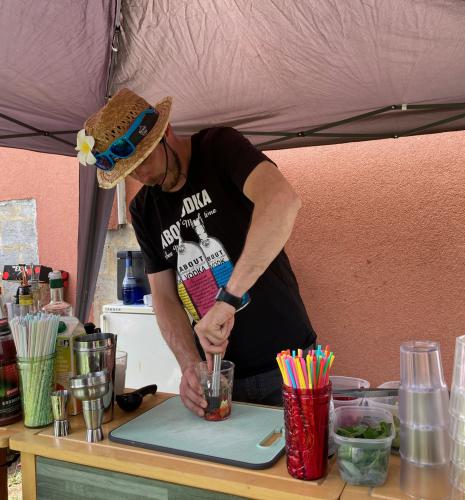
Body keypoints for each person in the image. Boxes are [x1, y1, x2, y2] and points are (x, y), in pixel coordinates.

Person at [78, 88, 316, 416]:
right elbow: (164, 297)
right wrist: (190, 365)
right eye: (130, 170)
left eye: (144, 159)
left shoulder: (220, 148)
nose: (143, 175)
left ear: (165, 132)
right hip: (220, 376)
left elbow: (282, 201)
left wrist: (228, 299)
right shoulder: (144, 209)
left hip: (288, 362)